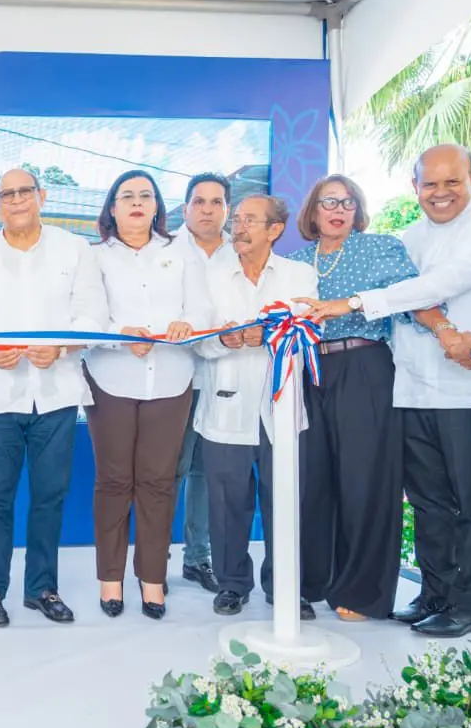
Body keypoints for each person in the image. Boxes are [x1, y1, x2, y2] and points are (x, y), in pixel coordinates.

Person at [300, 146, 471, 637]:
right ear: (415, 186)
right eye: (429, 184)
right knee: (428, 502)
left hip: (469, 390)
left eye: (451, 182)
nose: (440, 193)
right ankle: (434, 594)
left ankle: (469, 606)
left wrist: (353, 302)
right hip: (411, 390)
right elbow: (410, 304)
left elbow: (440, 285)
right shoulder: (407, 239)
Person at [290, 174, 447, 623]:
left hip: (364, 367)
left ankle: (361, 592)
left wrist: (445, 329)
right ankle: (308, 583)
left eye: (348, 202)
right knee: (311, 481)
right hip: (307, 372)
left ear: (358, 211)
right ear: (313, 210)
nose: (339, 210)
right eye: (329, 202)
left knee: (364, 481)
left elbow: (416, 299)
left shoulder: (381, 248)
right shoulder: (295, 262)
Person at [0, 167, 107, 627]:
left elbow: (93, 317)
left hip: (55, 394)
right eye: (7, 194)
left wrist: (60, 347)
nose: (17, 200)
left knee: (50, 496)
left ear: (42, 196)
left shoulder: (74, 249)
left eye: (25, 191)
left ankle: (42, 588)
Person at [83, 169, 211, 620]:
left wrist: (188, 324)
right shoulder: (93, 256)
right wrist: (120, 334)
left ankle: (152, 579)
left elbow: (202, 307)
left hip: (172, 378)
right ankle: (110, 578)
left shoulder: (182, 252)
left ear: (157, 206)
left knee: (158, 482)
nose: (137, 202)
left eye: (145, 195)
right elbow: (86, 316)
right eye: (127, 196)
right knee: (114, 481)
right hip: (110, 379)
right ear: (112, 208)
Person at [193, 196, 317, 616]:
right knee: (227, 502)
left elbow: (305, 332)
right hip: (226, 405)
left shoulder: (300, 275)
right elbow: (197, 339)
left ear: (275, 230)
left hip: (281, 407)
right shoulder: (211, 276)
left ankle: (285, 586)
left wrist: (268, 336)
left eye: (250, 220)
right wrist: (222, 340)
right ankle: (231, 584)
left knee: (285, 500)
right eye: (237, 219)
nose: (239, 227)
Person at [172, 173, 234, 594]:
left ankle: (198, 558)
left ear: (227, 209)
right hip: (175, 376)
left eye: (216, 202)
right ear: (186, 208)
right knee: (170, 470)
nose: (207, 210)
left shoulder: (240, 251)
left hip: (225, 374)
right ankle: (154, 560)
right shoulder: (166, 250)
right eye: (199, 202)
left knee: (208, 472)